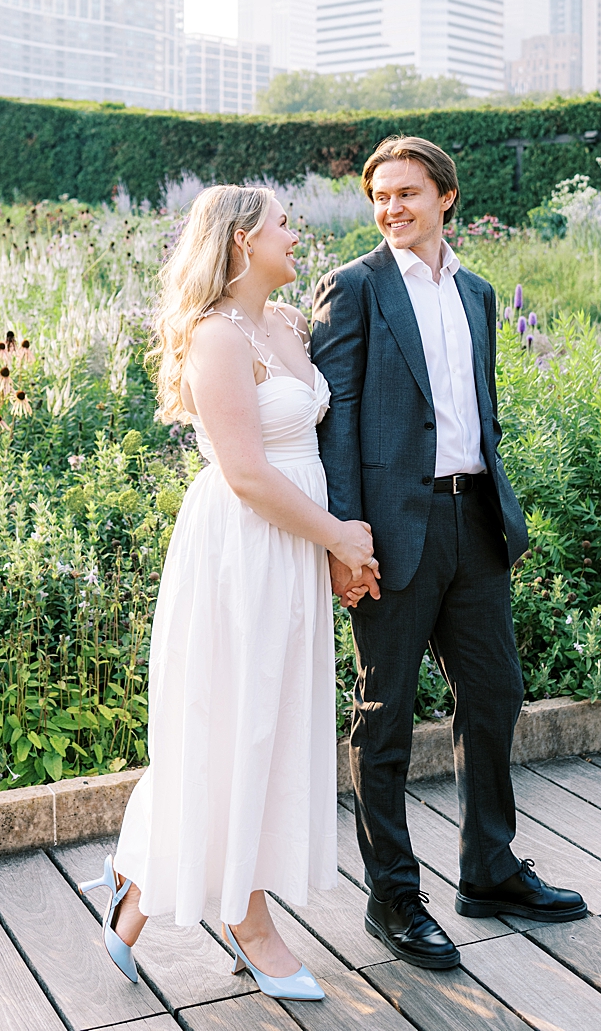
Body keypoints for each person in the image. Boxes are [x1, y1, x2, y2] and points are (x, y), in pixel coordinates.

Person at [83, 185, 379, 1005]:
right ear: (244, 242)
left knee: (265, 727)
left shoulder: (286, 326)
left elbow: (313, 449)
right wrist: (338, 536)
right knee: (230, 728)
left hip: (293, 549)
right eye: (285, 223)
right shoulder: (216, 337)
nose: (298, 233)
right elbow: (247, 474)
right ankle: (249, 925)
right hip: (241, 552)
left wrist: (331, 544)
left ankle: (134, 883)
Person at [309, 135, 587, 973]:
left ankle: (490, 870)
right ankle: (393, 896)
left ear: (446, 197)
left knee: (495, 694)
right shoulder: (353, 289)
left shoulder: (478, 293)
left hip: (475, 524)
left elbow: (479, 409)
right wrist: (345, 539)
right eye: (380, 197)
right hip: (392, 535)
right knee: (385, 715)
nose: (391, 209)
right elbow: (335, 426)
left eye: (407, 194)